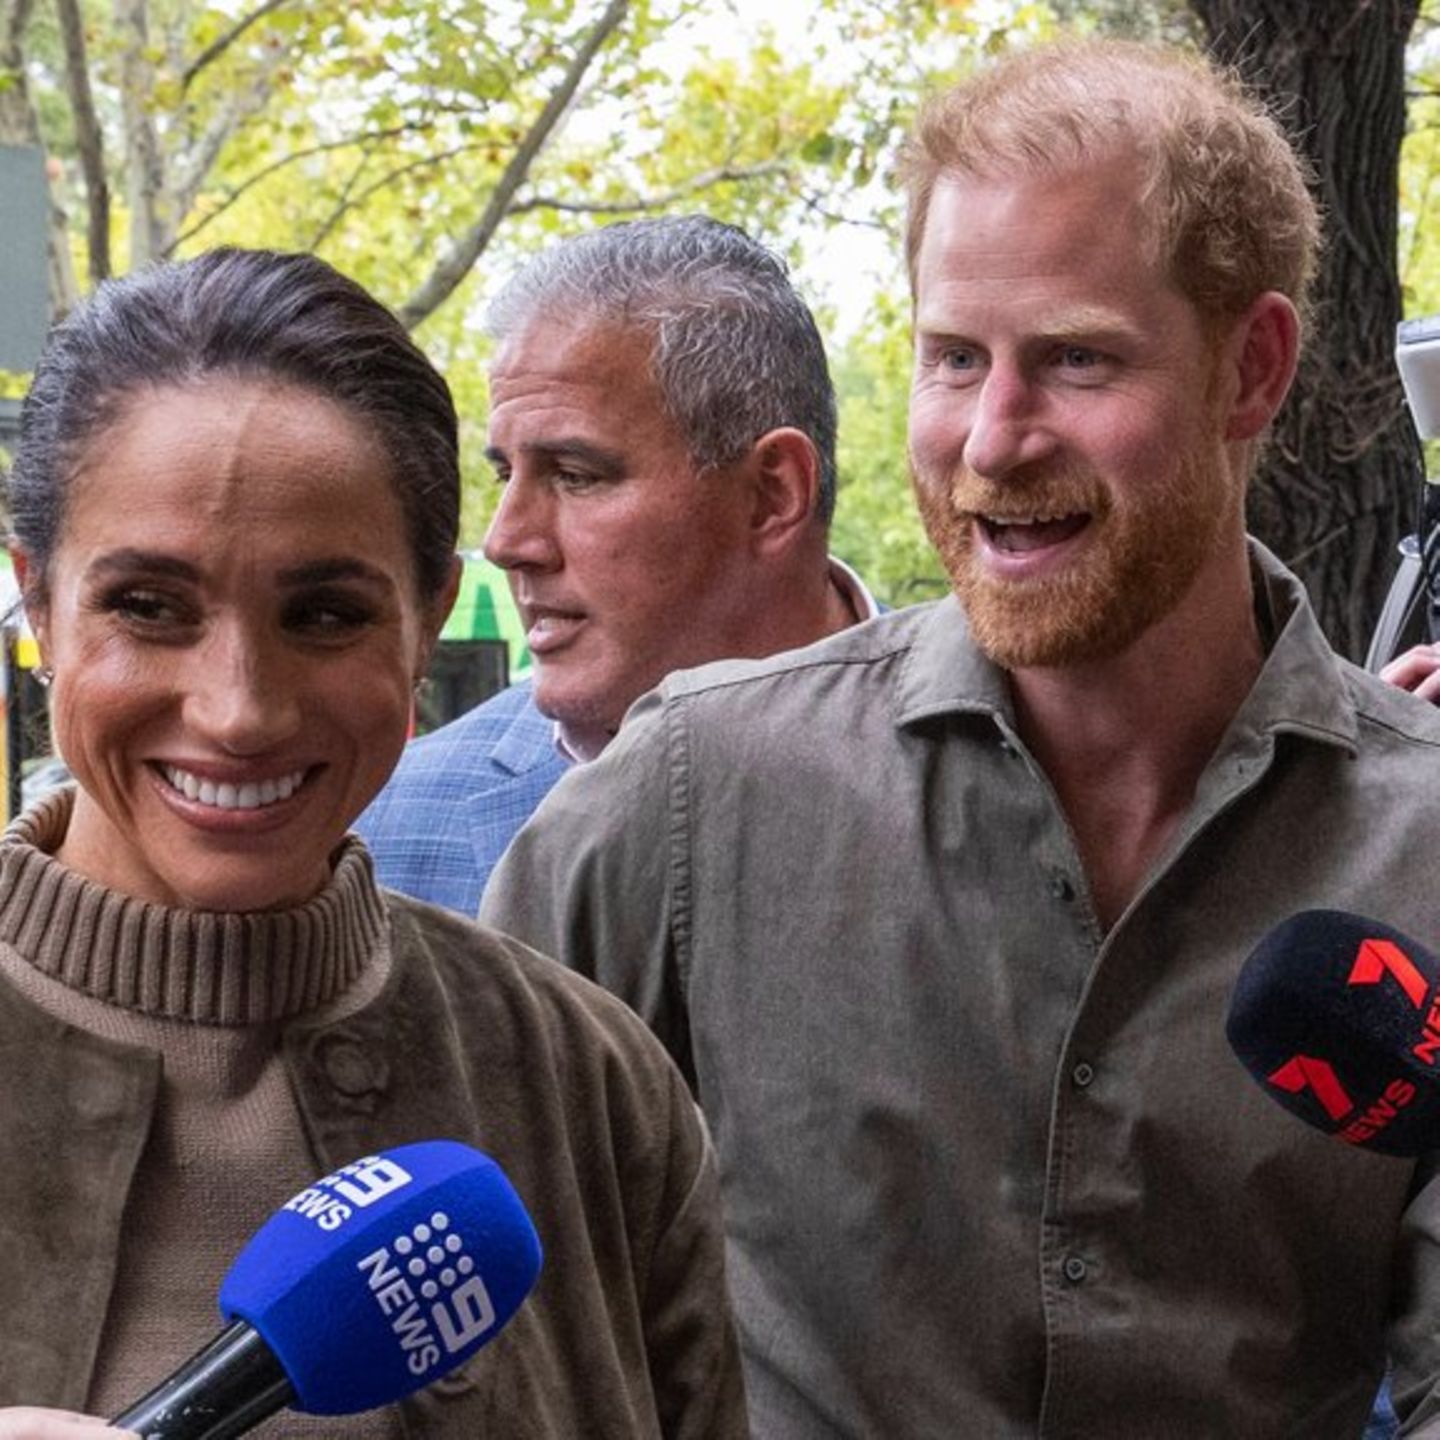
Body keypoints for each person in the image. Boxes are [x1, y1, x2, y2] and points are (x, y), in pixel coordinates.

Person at [481, 39, 1440, 1438]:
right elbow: (475, 1321)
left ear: (1253, 370)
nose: (993, 439)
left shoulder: (1418, 850)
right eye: (953, 359)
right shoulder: (684, 799)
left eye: (1074, 360)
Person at [0, 248, 746, 1439]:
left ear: (427, 622)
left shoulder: (586, 1082)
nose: (239, 707)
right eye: (147, 606)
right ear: (40, 604)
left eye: (327, 614)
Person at [356, 215, 877, 915]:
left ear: (771, 494)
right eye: (505, 473)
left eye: (574, 475)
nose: (507, 541)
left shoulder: (1018, 769)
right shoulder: (384, 837)